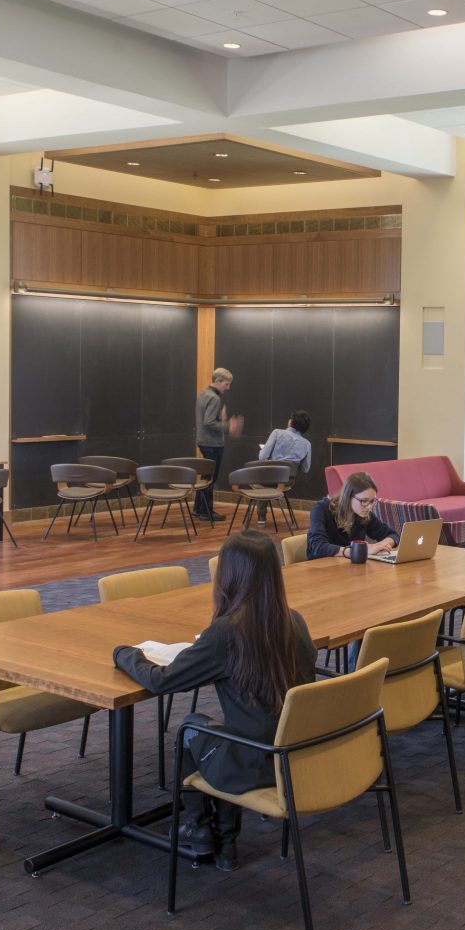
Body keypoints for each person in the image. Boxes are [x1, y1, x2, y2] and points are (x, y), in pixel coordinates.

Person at [112, 530, 315, 871]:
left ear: (229, 574)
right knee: (221, 729)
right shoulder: (293, 621)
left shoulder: (226, 632)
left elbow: (163, 681)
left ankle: (201, 829)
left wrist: (126, 654)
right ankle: (224, 841)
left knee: (191, 728)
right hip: (296, 754)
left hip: (254, 763)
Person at [307, 470, 396, 560]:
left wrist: (381, 545)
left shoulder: (363, 513)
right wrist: (357, 551)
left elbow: (393, 535)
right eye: (364, 501)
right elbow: (317, 546)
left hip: (349, 567)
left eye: (372, 501)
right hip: (321, 567)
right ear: (348, 497)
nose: (369, 507)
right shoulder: (321, 509)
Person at [193, 367, 240, 522]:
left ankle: (199, 509)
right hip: (212, 444)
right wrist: (228, 426)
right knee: (210, 479)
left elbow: (207, 420)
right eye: (226, 384)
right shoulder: (214, 398)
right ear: (218, 381)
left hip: (203, 441)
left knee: (206, 476)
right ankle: (207, 512)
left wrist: (222, 419)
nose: (228, 388)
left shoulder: (203, 394)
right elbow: (209, 422)